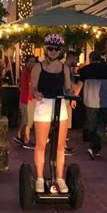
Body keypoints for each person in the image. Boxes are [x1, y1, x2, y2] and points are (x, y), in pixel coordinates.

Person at [31, 34, 72, 194]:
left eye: (56, 49)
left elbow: (67, 88)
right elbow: (33, 87)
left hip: (59, 106)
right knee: (41, 145)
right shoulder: (38, 67)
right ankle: (40, 178)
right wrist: (36, 93)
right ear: (46, 49)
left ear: (60, 51)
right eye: (50, 48)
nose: (53, 51)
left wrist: (72, 93)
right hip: (44, 105)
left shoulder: (64, 68)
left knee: (60, 146)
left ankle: (60, 177)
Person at [75, 50, 107, 160]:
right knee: (101, 125)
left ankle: (93, 146)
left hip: (89, 101)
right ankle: (95, 147)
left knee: (92, 123)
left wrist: (74, 97)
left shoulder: (85, 69)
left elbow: (79, 84)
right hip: (103, 101)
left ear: (90, 58)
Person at [14, 54, 36, 149]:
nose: (32, 63)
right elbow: (30, 85)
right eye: (31, 61)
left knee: (26, 119)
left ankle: (19, 136)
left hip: (28, 98)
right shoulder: (27, 72)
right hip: (26, 99)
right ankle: (25, 138)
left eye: (34, 61)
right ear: (26, 62)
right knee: (27, 120)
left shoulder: (29, 71)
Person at [64, 51, 79, 154]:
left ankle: (63, 143)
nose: (77, 61)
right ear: (70, 58)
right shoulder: (65, 68)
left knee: (66, 122)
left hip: (67, 96)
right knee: (64, 122)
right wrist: (74, 94)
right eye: (76, 59)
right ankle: (62, 145)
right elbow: (68, 84)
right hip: (66, 97)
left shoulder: (68, 68)